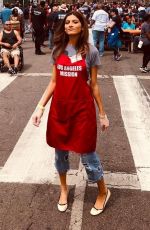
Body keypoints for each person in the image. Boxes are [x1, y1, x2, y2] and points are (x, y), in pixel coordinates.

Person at [32, 11, 111, 216]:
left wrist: (102, 113)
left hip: (82, 111)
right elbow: (54, 82)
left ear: (83, 26)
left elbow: (94, 86)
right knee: (60, 155)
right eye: (67, 22)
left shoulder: (91, 51)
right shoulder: (57, 50)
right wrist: (40, 107)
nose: (70, 25)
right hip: (60, 110)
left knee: (88, 155)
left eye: (75, 22)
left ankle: (103, 192)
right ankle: (64, 189)